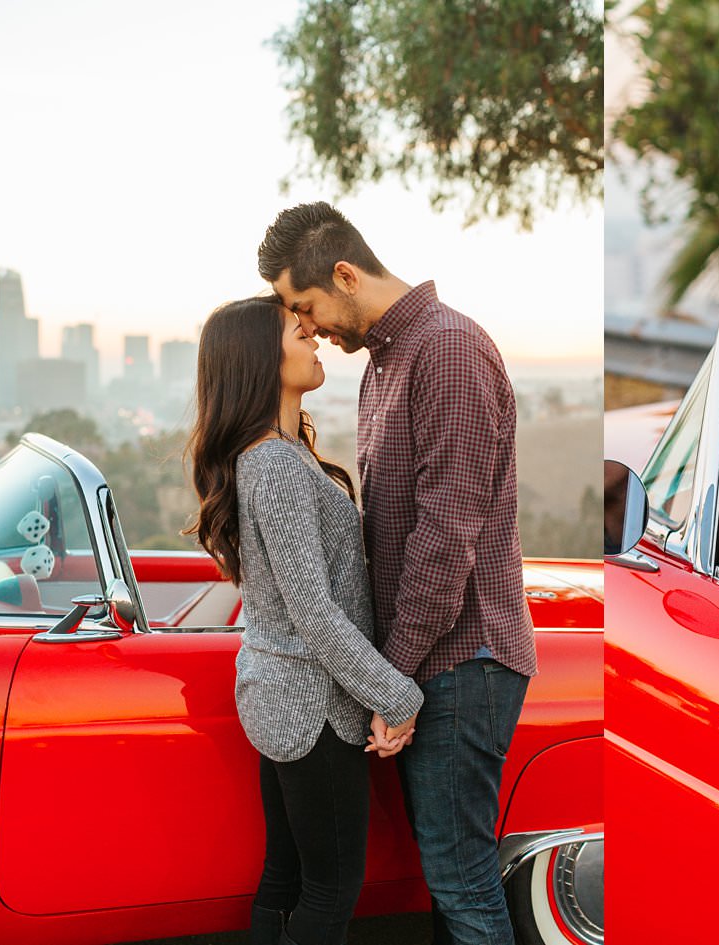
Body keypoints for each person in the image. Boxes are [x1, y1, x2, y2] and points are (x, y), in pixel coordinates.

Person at [259, 202, 534, 945]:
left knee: (461, 879)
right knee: (445, 882)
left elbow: (447, 540)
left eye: (307, 306)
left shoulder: (446, 350)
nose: (312, 328)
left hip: (461, 659)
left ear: (345, 274)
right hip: (428, 664)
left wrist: (394, 680)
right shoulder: (387, 361)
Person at [185, 296, 424, 945]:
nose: (316, 340)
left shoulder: (276, 454)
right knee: (331, 888)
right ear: (266, 356)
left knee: (286, 874)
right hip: (311, 707)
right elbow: (313, 610)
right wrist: (396, 695)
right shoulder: (275, 465)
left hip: (284, 698)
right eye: (302, 332)